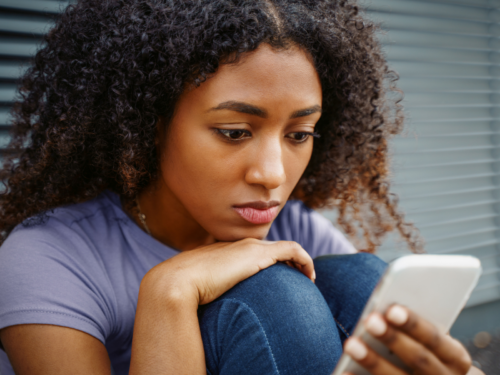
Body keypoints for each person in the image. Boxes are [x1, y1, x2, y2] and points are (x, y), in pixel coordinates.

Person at [0, 0, 482, 374]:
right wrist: (170, 291)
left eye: (299, 135)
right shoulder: (49, 259)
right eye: (234, 132)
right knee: (276, 292)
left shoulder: (295, 229)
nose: (272, 174)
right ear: (150, 123)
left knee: (361, 279)